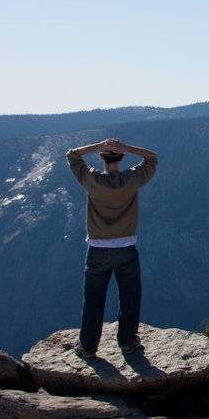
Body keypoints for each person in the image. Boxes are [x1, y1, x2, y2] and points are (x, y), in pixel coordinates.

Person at [64, 138, 159, 359]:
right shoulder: (131, 180)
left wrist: (96, 146)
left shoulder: (92, 180)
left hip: (97, 250)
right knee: (129, 297)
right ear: (122, 157)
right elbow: (152, 158)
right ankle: (127, 342)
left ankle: (87, 347)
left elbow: (72, 155)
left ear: (101, 158)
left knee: (94, 299)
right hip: (126, 248)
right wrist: (127, 147)